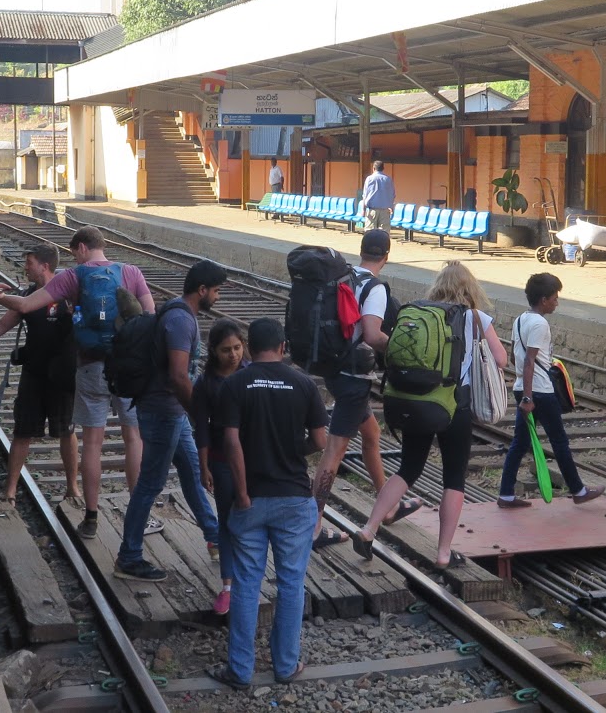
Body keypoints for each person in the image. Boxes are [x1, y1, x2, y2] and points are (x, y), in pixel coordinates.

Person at [0, 226, 153, 541]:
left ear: (81, 247)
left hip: (91, 366)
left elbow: (25, 305)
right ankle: (139, 516)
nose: (74, 258)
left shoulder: (72, 276)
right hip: (127, 369)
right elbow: (150, 317)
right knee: (133, 438)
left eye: (74, 252)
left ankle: (91, 517)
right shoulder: (131, 272)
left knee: (92, 443)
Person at [351, 261, 504, 570]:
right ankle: (444, 553)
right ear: (470, 288)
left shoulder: (419, 311)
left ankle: (368, 528)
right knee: (454, 478)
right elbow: (500, 359)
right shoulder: (475, 317)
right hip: (454, 407)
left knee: (408, 468)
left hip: (416, 401)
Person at [209, 319, 326, 690]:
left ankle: (240, 671)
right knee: (292, 583)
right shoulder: (304, 384)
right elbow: (320, 440)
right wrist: (293, 450)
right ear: (283, 346)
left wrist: (242, 493)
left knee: (246, 582)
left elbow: (230, 443)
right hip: (294, 499)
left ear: (249, 347)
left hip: (252, 501)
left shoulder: (235, 384)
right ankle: (285, 665)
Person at [112, 260, 225, 583]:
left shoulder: (178, 312)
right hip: (163, 412)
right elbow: (178, 376)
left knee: (192, 473)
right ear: (202, 290)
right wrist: (200, 416)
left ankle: (216, 537)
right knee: (150, 484)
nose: (217, 297)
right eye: (216, 291)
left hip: (171, 412)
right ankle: (129, 557)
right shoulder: (180, 321)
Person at [310, 229, 420, 550]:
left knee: (371, 433)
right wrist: (400, 349)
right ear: (386, 256)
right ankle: (313, 526)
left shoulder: (344, 276)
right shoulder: (375, 288)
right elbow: (372, 335)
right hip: (353, 376)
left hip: (334, 369)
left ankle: (389, 507)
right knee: (334, 450)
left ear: (361, 251)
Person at [0, 241, 78, 505]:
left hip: (62, 376)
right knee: (22, 431)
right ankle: (10, 490)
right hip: (33, 374)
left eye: (29, 263)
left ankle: (73, 487)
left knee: (66, 431)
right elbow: (0, 326)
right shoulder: (28, 296)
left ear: (45, 265)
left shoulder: (69, 295)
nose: (25, 268)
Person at [498, 273, 606, 507]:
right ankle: (578, 491)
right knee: (559, 442)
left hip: (523, 388)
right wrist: (529, 397)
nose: (557, 302)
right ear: (544, 300)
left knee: (520, 443)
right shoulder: (540, 324)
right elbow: (529, 361)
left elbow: (517, 358)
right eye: (555, 298)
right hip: (539, 393)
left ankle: (505, 494)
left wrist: (524, 392)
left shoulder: (520, 319)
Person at [191, 319, 246, 615]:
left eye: (237, 348)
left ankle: (247, 580)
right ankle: (228, 586)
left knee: (251, 519)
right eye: (226, 350)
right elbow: (201, 428)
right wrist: (203, 466)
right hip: (221, 461)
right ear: (213, 350)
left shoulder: (250, 375)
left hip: (253, 460)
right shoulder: (206, 383)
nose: (233, 355)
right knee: (226, 520)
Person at [360, 161, 395, 231]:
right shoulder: (388, 179)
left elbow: (365, 195)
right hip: (385, 210)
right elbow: (392, 195)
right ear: (383, 168)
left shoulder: (369, 179)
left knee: (370, 232)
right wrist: (391, 207)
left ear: (373, 168)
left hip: (372, 210)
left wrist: (363, 210)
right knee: (384, 232)